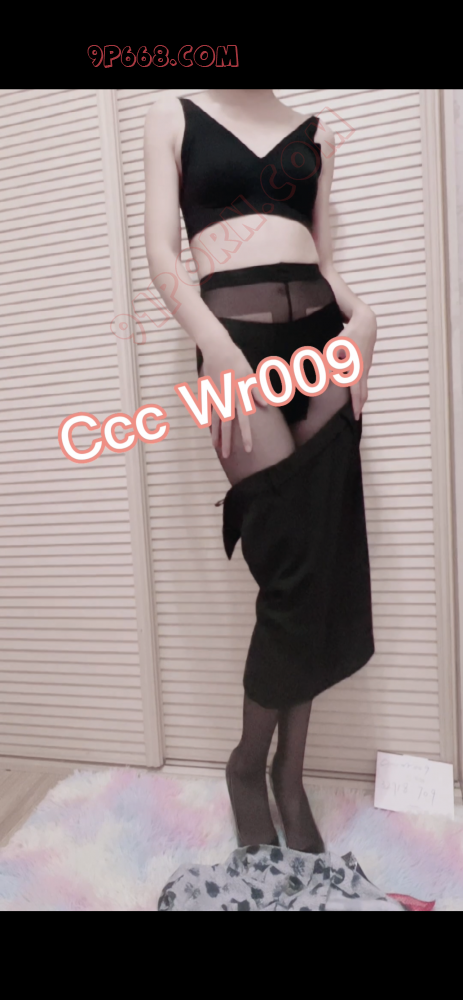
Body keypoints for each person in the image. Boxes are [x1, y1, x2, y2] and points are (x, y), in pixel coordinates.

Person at [144, 89, 377, 852]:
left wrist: (365, 320)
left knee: (322, 562)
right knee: (288, 568)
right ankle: (247, 765)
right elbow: (161, 255)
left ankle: (289, 774)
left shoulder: (316, 135)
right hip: (231, 345)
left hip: (326, 342)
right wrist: (214, 346)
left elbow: (321, 257)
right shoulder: (172, 114)